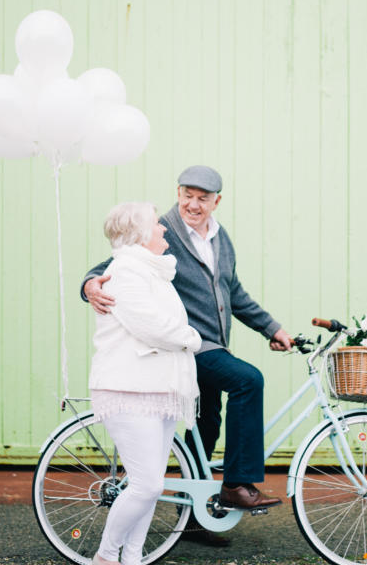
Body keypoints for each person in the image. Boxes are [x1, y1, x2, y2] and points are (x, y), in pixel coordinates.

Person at [82, 166, 293, 535]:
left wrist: (271, 327)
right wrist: (89, 285)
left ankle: (197, 516)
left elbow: (234, 292)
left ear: (217, 202)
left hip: (214, 347)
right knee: (248, 380)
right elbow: (112, 263)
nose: (192, 204)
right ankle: (236, 484)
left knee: (206, 425)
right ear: (177, 192)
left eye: (202, 198)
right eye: (187, 195)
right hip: (188, 346)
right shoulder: (161, 230)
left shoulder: (220, 238)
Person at [89, 201, 201, 565]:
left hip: (157, 387)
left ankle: (133, 559)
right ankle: (106, 557)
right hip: (128, 387)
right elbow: (151, 325)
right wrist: (191, 339)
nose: (165, 229)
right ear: (138, 233)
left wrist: (182, 339)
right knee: (147, 483)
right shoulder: (126, 270)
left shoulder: (152, 270)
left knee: (153, 481)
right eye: (157, 224)